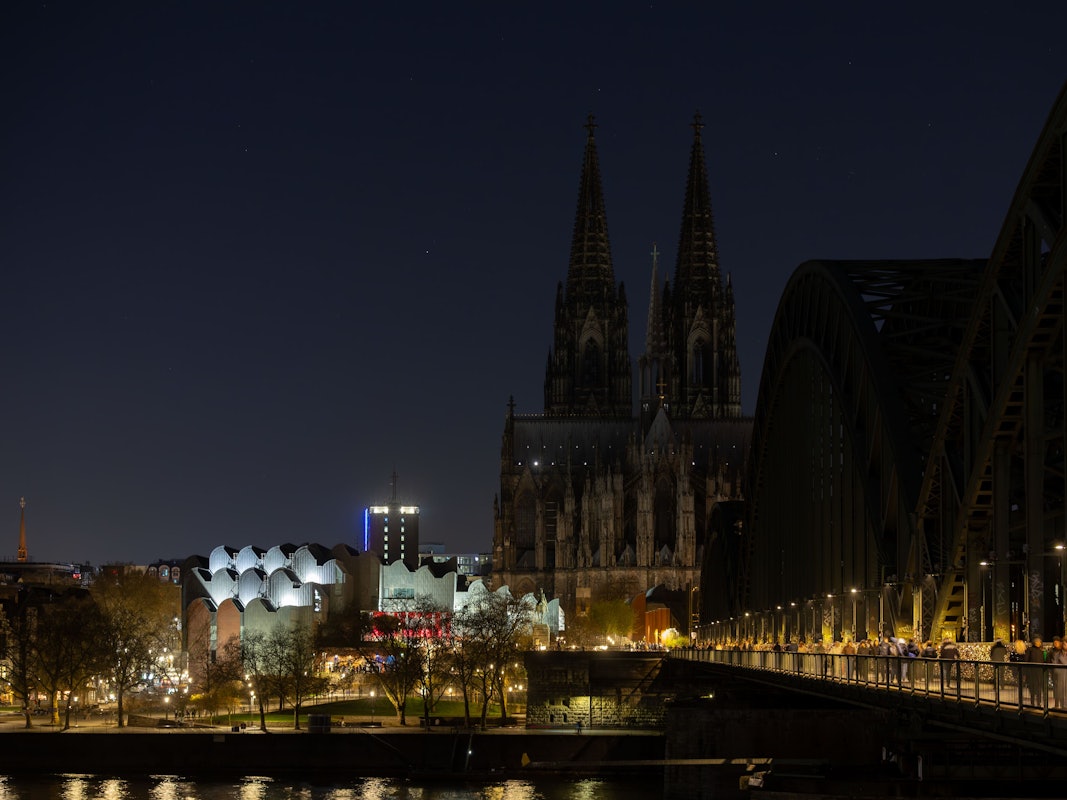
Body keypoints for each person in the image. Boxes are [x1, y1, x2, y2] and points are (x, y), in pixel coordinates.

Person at [1023, 636, 1046, 707]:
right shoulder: (1030, 650)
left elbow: (1043, 661)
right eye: (1037, 642)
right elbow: (1026, 660)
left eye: (1039, 642)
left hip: (1039, 672)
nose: (1038, 643)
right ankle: (1032, 702)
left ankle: (1039, 702)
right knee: (1032, 688)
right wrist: (1025, 672)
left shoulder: (1041, 651)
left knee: (1039, 688)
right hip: (1031, 672)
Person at [1050, 636, 1067, 709]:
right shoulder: (1057, 655)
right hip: (1060, 679)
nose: (1065, 644)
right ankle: (1061, 706)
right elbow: (1055, 667)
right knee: (1060, 694)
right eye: (1064, 642)